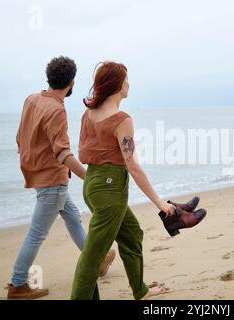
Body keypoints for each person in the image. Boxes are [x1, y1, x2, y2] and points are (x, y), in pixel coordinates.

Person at [8, 56, 115, 299]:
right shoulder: (56, 109)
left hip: (41, 176)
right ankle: (17, 284)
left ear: (49, 78)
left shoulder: (32, 99)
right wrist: (89, 178)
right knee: (37, 233)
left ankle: (98, 261)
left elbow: (19, 137)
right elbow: (63, 152)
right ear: (72, 82)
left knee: (72, 217)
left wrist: (31, 160)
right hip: (52, 181)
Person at [70, 61, 176, 300]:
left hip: (92, 185)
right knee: (92, 256)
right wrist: (159, 202)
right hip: (110, 189)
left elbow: (85, 152)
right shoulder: (121, 119)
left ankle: (141, 290)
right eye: (126, 79)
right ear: (117, 84)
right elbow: (133, 166)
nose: (129, 84)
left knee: (132, 234)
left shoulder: (88, 115)